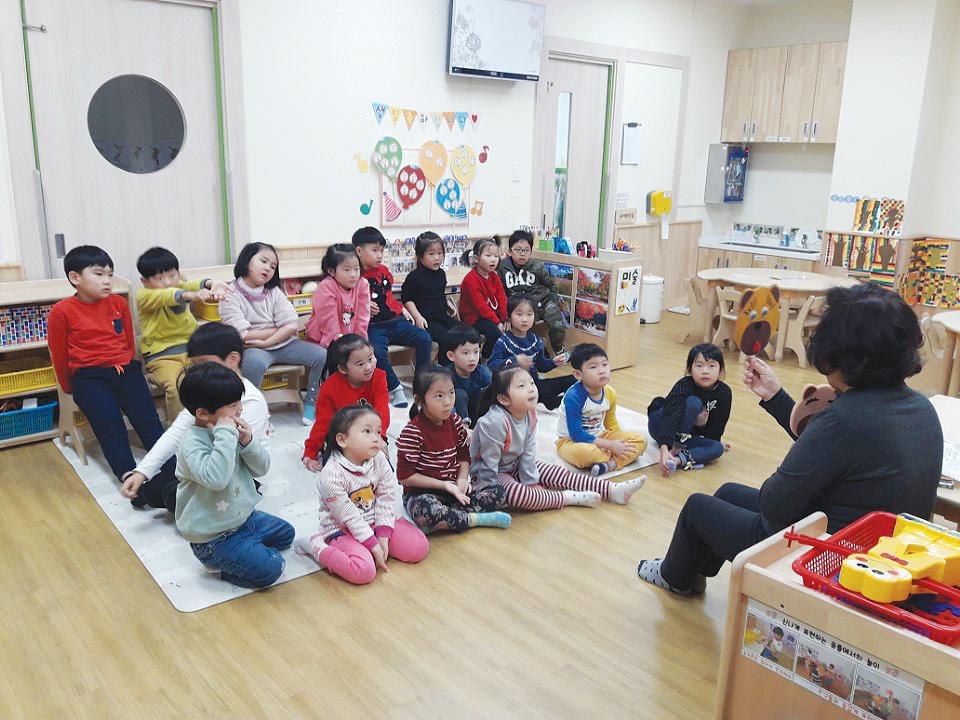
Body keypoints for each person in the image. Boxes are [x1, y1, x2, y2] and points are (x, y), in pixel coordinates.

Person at [637, 283, 943, 596]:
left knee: (697, 508)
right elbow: (833, 448)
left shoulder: (844, 418)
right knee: (727, 493)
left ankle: (674, 578)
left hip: (828, 558)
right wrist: (775, 396)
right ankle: (692, 572)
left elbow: (774, 506)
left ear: (841, 356)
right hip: (886, 555)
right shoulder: (921, 407)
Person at [47, 246, 174, 493]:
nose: (107, 280)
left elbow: (128, 342)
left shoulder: (118, 302)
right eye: (99, 274)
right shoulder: (61, 311)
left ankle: (171, 466)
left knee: (148, 419)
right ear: (75, 277)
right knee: (110, 426)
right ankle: (127, 475)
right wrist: (69, 387)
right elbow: (59, 355)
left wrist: (129, 367)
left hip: (125, 370)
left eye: (110, 274)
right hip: (89, 377)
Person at [119, 322, 271, 512]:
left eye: (204, 363)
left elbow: (243, 461)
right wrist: (142, 471)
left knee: (173, 493)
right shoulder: (207, 391)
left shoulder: (250, 401)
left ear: (233, 359)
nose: (198, 371)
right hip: (206, 461)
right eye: (194, 365)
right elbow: (177, 432)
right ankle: (150, 492)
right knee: (158, 485)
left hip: (239, 472)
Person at [175, 362, 294, 589]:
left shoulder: (231, 431)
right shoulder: (192, 443)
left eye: (239, 401)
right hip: (213, 537)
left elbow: (261, 469)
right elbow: (217, 479)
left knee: (287, 535)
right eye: (232, 405)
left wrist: (248, 441)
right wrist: (226, 435)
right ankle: (219, 565)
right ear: (202, 413)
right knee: (273, 567)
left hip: (244, 519)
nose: (240, 409)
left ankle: (247, 548)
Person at [471, 366, 646, 512]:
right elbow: (489, 464)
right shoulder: (494, 422)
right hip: (490, 474)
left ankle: (613, 491)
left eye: (532, 383)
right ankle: (567, 497)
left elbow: (528, 450)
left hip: (514, 464)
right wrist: (488, 493)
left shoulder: (530, 413)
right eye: (521, 386)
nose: (531, 389)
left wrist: (530, 481)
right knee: (519, 495)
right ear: (503, 399)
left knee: (557, 473)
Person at [296, 404, 429, 584]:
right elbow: (349, 517)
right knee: (364, 571)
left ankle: (374, 545)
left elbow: (386, 497)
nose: (376, 438)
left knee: (419, 547)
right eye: (367, 431)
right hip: (343, 529)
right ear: (343, 440)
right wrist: (373, 545)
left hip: (375, 520)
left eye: (378, 432)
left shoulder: (379, 459)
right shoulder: (331, 475)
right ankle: (316, 546)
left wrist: (383, 535)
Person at [218, 242, 326, 425]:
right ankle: (252, 411)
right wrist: (276, 330)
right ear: (246, 260)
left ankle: (312, 402)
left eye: (273, 266)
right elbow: (240, 334)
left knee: (322, 355)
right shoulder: (230, 293)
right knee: (253, 364)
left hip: (283, 343)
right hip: (253, 348)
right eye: (263, 261)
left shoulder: (273, 291)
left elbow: (291, 323)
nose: (268, 268)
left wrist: (267, 341)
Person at [397, 366, 511, 534]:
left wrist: (462, 479)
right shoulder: (413, 432)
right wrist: (444, 485)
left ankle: (450, 517)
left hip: (453, 489)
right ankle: (472, 519)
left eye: (451, 393)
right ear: (419, 400)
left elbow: (464, 456)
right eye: (439, 396)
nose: (448, 401)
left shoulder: (456, 421)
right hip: (423, 494)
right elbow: (405, 477)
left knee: (498, 492)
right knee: (427, 510)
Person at [135, 246, 230, 420]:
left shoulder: (179, 285)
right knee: (175, 385)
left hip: (191, 351)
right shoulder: (144, 296)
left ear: (178, 274)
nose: (167, 282)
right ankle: (178, 429)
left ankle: (214, 418)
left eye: (172, 275)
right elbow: (167, 295)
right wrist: (192, 296)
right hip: (161, 358)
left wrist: (212, 283)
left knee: (213, 376)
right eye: (159, 278)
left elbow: (191, 284)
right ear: (145, 281)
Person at [353, 226, 432, 408]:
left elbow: (387, 297)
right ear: (359, 251)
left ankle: (421, 383)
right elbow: (347, 301)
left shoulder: (384, 271)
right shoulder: (353, 274)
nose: (379, 255)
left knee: (424, 338)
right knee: (375, 353)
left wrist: (401, 308)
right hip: (373, 327)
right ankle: (395, 388)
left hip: (395, 321)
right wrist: (362, 305)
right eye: (374, 250)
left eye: (381, 250)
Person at [556, 344, 648, 476]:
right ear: (578, 374)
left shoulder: (610, 393)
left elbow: (610, 423)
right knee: (587, 453)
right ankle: (611, 459)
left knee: (641, 441)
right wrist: (611, 446)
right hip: (571, 442)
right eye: (593, 367)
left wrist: (620, 443)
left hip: (600, 436)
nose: (602, 371)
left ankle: (609, 465)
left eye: (604, 364)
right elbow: (577, 434)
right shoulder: (573, 397)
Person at [302, 334, 389, 471]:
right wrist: (310, 451)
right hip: (342, 435)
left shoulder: (378, 377)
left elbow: (382, 410)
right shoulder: (330, 387)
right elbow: (323, 422)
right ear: (343, 369)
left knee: (380, 464)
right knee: (339, 468)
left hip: (371, 432)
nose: (368, 367)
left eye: (370, 359)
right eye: (360, 364)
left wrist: (379, 436)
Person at [647, 343, 732, 475]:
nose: (705, 371)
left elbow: (717, 425)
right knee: (694, 402)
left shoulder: (724, 392)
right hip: (661, 426)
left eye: (711, 366)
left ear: (720, 370)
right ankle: (676, 447)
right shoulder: (684, 385)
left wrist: (710, 441)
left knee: (717, 448)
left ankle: (678, 459)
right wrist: (664, 448)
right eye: (699, 365)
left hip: (687, 435)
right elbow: (670, 415)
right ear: (690, 369)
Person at [488, 294, 574, 410]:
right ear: (509, 316)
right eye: (519, 314)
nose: (525, 319)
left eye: (529, 314)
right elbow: (492, 365)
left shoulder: (535, 340)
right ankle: (551, 403)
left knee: (571, 380)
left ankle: (555, 403)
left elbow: (541, 366)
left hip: (534, 384)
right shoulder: (503, 341)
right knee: (545, 394)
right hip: (515, 388)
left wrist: (553, 362)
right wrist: (515, 360)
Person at [498, 229, 566, 354]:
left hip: (542, 302)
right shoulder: (502, 267)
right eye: (518, 250)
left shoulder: (537, 266)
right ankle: (534, 352)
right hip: (518, 306)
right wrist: (506, 315)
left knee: (557, 325)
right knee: (521, 328)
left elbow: (551, 285)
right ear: (510, 251)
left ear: (531, 252)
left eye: (526, 250)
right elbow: (500, 293)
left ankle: (558, 349)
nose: (522, 254)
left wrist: (554, 302)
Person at [400, 231, 458, 359]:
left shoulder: (441, 274)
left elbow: (437, 292)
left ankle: (458, 365)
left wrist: (446, 302)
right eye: (431, 254)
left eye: (440, 253)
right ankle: (444, 367)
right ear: (420, 257)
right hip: (426, 320)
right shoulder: (415, 277)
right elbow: (407, 299)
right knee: (446, 339)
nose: (437, 258)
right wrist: (418, 317)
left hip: (442, 316)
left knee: (466, 333)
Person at [305, 243, 370, 347]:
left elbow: (362, 319)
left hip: (350, 342)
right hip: (323, 341)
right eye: (347, 270)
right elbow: (329, 325)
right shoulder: (326, 287)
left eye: (356, 269)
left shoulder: (362, 284)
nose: (353, 275)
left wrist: (360, 344)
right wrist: (338, 349)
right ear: (332, 271)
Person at [458, 237, 507, 358]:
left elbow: (502, 299)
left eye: (496, 256)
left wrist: (505, 319)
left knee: (512, 327)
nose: (493, 259)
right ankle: (486, 359)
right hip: (474, 318)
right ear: (476, 258)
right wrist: (498, 323)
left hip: (490, 315)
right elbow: (481, 306)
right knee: (495, 333)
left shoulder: (494, 276)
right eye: (488, 256)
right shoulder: (471, 279)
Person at [444, 323, 491, 426]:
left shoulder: (481, 371)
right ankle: (464, 427)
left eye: (476, 352)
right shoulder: (445, 376)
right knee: (459, 394)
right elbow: (445, 404)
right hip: (456, 418)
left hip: (477, 413)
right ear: (451, 356)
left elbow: (497, 388)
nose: (472, 358)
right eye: (466, 353)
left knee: (488, 391)